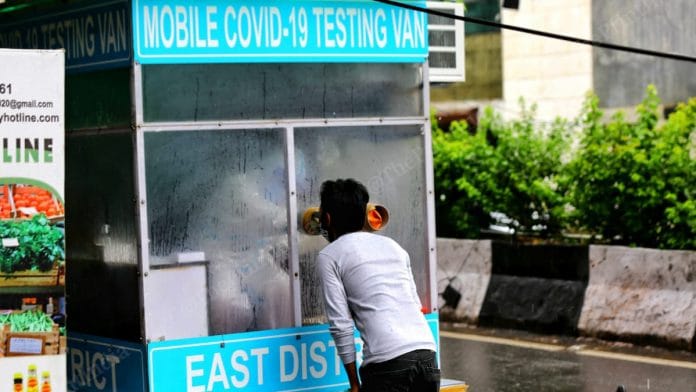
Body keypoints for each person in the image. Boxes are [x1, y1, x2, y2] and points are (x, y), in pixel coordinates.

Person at [316, 178, 440, 392]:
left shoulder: (330, 255)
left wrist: (354, 384)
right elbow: (413, 303)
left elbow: (341, 325)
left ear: (327, 219)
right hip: (427, 354)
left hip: (388, 364)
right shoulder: (394, 247)